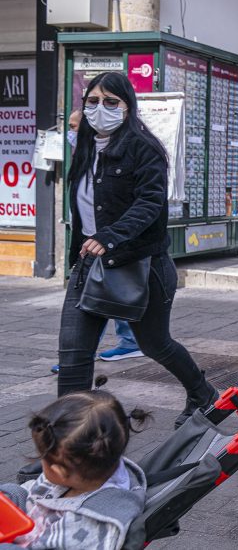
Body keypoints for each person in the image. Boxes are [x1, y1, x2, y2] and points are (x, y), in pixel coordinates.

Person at [59, 72, 216, 427]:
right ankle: (67, 437)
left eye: (110, 102)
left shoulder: (144, 148)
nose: (100, 108)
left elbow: (150, 203)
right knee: (73, 356)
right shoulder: (85, 148)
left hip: (141, 265)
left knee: (155, 344)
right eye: (93, 101)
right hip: (89, 265)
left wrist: (111, 236)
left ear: (127, 107)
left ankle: (201, 392)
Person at [50, 111, 142, 375]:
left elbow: (142, 204)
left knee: (96, 301)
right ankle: (119, 344)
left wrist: (108, 237)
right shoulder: (84, 156)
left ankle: (84, 354)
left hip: (110, 245)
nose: (70, 132)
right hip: (91, 246)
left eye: (74, 127)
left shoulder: (126, 153)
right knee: (100, 299)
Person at [1, 391, 148, 550]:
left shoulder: (87, 527)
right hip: (30, 525)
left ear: (59, 472)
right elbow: (37, 492)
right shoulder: (96, 467)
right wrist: (9, 495)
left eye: (42, 457)